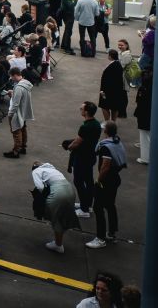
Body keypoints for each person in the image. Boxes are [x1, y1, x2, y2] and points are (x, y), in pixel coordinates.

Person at [86, 120, 127, 250]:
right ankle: (112, 233)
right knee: (110, 205)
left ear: (105, 131)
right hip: (115, 178)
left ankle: (100, 238)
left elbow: (105, 166)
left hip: (106, 181)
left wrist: (98, 180)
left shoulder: (105, 147)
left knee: (98, 208)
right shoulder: (117, 142)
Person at [31, 161, 80, 253]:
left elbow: (40, 187)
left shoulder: (36, 171)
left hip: (58, 193)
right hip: (70, 190)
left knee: (55, 217)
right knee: (63, 215)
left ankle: (58, 245)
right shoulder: (52, 169)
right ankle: (59, 240)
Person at [64, 102, 102, 218]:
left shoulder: (85, 127)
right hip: (90, 156)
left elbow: (77, 142)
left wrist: (69, 147)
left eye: (82, 108)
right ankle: (87, 204)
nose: (80, 109)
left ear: (86, 112)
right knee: (88, 181)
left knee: (79, 181)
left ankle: (84, 209)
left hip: (82, 157)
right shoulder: (96, 124)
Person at [2, 68, 33, 159]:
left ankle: (16, 151)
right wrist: (14, 92)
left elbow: (15, 104)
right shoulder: (26, 83)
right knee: (23, 128)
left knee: (16, 131)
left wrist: (10, 114)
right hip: (24, 111)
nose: (11, 78)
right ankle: (23, 147)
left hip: (17, 112)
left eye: (11, 76)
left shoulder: (19, 87)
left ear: (15, 75)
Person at [99, 49, 128, 123]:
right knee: (114, 107)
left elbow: (107, 80)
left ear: (110, 56)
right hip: (116, 91)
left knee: (104, 106)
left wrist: (103, 91)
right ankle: (113, 122)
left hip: (108, 91)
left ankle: (107, 122)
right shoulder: (118, 65)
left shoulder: (112, 66)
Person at [135, 68, 152, 165]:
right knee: (147, 135)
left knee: (144, 135)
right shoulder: (152, 89)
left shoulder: (143, 89)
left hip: (144, 114)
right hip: (148, 114)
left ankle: (145, 158)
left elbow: (139, 101)